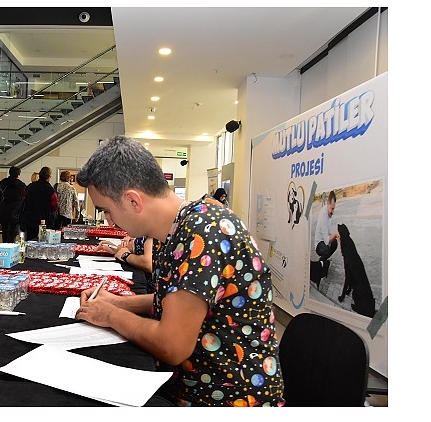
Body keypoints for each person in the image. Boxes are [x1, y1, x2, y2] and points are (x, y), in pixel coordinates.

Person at [74, 136, 284, 407]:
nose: (109, 221)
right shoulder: (178, 228)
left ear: (133, 201)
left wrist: (112, 315)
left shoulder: (203, 233)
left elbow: (172, 346)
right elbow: (178, 302)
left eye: (107, 211)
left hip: (227, 398)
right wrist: (118, 302)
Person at [21, 166, 58, 240]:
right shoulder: (50, 189)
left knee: (30, 240)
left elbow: (25, 200)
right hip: (45, 220)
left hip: (30, 218)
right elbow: (55, 205)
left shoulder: (31, 187)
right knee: (44, 240)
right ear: (49, 177)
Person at [0, 166, 27, 243]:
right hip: (15, 213)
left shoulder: (3, 182)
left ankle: (5, 247)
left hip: (3, 211)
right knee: (12, 234)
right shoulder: (22, 185)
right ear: (18, 174)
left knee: (5, 232)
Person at [314, 190, 339, 262]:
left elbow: (329, 234)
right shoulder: (323, 216)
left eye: (334, 208)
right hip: (319, 244)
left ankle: (325, 259)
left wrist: (335, 236)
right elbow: (327, 241)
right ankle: (320, 263)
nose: (333, 212)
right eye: (332, 209)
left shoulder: (328, 212)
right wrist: (335, 234)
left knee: (335, 243)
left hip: (324, 241)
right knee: (327, 250)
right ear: (328, 204)